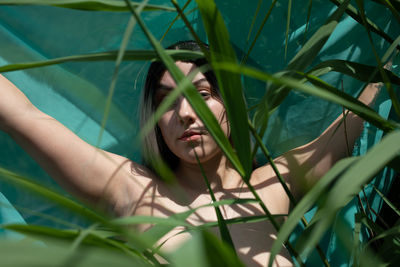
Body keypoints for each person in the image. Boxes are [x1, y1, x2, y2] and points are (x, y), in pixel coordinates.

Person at [0, 40, 384, 267]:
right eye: (167, 102)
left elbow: (365, 109)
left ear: (230, 104)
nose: (185, 114)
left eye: (201, 95)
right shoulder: (131, 190)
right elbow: (24, 116)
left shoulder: (274, 185)